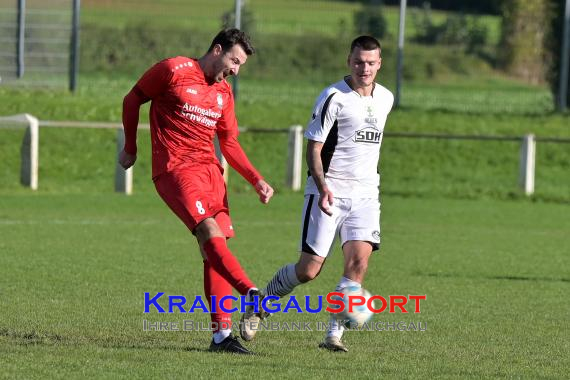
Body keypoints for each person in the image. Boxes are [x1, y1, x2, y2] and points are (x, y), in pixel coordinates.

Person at [119, 28, 274, 354]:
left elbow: (229, 142)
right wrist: (131, 147)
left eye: (241, 65)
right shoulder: (173, 70)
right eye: (234, 60)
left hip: (210, 174)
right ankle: (252, 294)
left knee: (213, 249)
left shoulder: (224, 93)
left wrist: (255, 179)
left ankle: (221, 337)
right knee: (208, 231)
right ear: (217, 50)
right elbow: (132, 98)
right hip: (175, 170)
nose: (236, 70)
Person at [240, 35, 394, 352]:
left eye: (370, 62)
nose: (364, 68)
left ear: (379, 64)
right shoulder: (333, 96)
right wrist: (323, 187)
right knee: (309, 269)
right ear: (348, 60)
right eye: (358, 61)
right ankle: (261, 304)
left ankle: (333, 336)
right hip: (329, 192)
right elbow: (315, 147)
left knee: (358, 265)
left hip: (366, 195)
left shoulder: (386, 98)